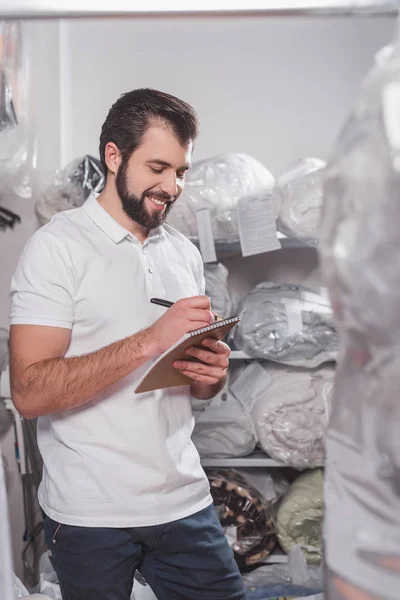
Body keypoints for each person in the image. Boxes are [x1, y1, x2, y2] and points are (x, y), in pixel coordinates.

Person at [9, 89, 246, 600]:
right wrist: (149, 339)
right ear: (113, 156)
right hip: (90, 513)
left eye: (181, 171)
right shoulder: (57, 249)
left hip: (182, 498)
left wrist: (210, 376)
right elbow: (28, 392)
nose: (172, 186)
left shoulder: (182, 253)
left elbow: (188, 388)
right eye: (158, 167)